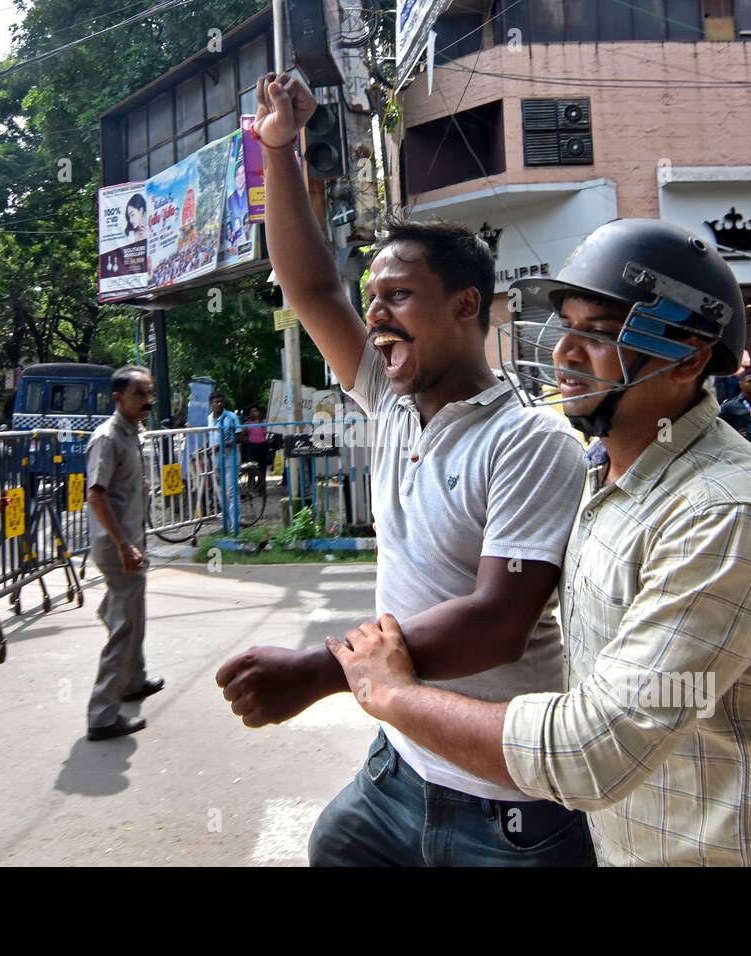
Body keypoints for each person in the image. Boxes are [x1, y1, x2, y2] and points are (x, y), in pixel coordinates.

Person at [322, 218, 751, 866]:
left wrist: (391, 693)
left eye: (602, 336)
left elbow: (593, 750)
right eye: (567, 327)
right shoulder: (603, 477)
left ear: (690, 356)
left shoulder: (728, 515)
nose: (566, 354)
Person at [215, 72, 593, 867]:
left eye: (398, 295)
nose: (375, 312)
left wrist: (320, 673)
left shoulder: (530, 442)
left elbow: (498, 621)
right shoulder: (389, 406)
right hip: (401, 767)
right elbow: (309, 285)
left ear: (466, 307)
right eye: (372, 296)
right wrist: (278, 150)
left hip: (506, 807)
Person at [84, 365, 164, 741]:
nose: (148, 400)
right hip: (118, 546)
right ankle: (102, 715)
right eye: (140, 394)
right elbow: (95, 496)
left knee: (131, 612)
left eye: (149, 392)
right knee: (125, 625)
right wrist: (123, 544)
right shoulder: (108, 438)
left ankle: (132, 681)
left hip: (131, 540)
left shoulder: (134, 433)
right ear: (118, 399)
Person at [207, 393, 242, 531]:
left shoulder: (231, 417)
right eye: (216, 402)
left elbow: (240, 438)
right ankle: (226, 525)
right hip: (216, 461)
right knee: (221, 494)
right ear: (211, 404)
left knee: (231, 493)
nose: (219, 404)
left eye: (221, 401)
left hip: (230, 460)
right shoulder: (209, 418)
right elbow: (211, 437)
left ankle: (235, 526)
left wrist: (222, 445)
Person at [239, 406, 269, 492]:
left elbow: (269, 431)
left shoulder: (263, 422)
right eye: (251, 411)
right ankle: (251, 487)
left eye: (255, 410)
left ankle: (261, 488)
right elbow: (242, 435)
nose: (254, 413)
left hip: (263, 446)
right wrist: (247, 441)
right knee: (251, 468)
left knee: (262, 467)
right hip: (252, 447)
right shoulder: (247, 423)